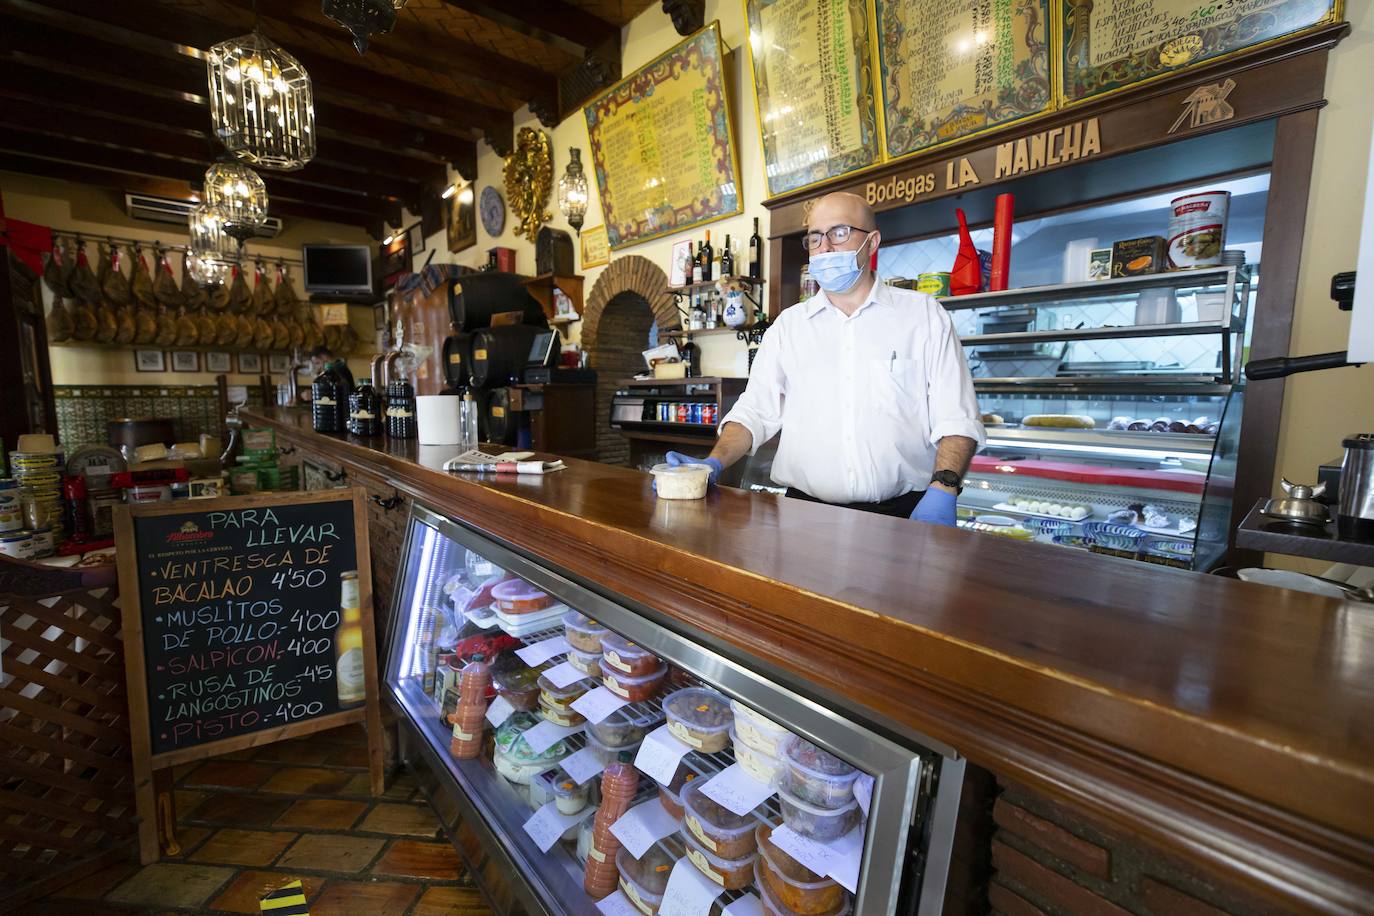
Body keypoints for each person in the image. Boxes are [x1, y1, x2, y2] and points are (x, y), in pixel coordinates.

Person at [665, 192, 983, 526]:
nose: (826, 247)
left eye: (839, 233)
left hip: (903, 515)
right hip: (803, 517)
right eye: (815, 238)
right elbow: (755, 411)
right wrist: (714, 462)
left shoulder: (924, 317)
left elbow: (957, 417)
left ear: (872, 242)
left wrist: (944, 488)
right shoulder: (789, 327)